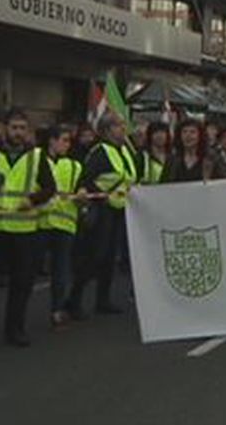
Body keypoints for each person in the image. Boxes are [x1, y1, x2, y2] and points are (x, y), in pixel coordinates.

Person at [0, 112, 57, 348]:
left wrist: (33, 201)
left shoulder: (37, 157)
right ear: (2, 128)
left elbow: (50, 188)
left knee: (22, 283)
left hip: (25, 230)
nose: (18, 132)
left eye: (23, 128)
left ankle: (15, 329)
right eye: (14, 127)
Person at [66, 114, 136, 319]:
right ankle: (74, 299)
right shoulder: (100, 152)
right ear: (107, 130)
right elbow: (86, 179)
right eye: (119, 125)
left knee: (109, 257)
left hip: (119, 209)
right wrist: (102, 197)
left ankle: (102, 300)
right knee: (96, 256)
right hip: (103, 209)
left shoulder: (124, 151)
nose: (123, 129)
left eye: (123, 125)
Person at [36, 126, 84, 330]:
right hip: (39, 222)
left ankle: (57, 311)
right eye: (64, 140)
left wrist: (82, 197)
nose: (67, 144)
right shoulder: (38, 161)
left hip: (65, 224)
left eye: (69, 141)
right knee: (28, 271)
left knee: (61, 271)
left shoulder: (74, 166)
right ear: (52, 141)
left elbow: (82, 192)